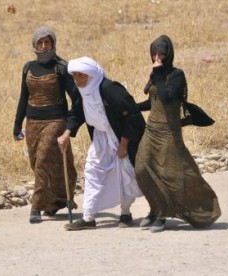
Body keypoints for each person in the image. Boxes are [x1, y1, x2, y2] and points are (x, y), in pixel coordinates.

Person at [135, 34, 221, 233]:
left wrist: (157, 74)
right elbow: (154, 101)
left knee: (168, 174)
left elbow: (166, 98)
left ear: (169, 54)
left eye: (161, 54)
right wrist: (133, 107)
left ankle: (162, 215)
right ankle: (155, 208)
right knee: (141, 169)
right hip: (151, 130)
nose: (157, 58)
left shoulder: (176, 75)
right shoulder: (155, 74)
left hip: (168, 133)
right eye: (154, 53)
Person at [57, 56, 145, 230]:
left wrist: (124, 144)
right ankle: (88, 217)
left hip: (120, 136)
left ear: (90, 75)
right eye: (74, 76)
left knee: (124, 173)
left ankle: (125, 213)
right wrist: (67, 133)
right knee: (92, 169)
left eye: (80, 76)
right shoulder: (81, 91)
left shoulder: (110, 89)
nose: (77, 80)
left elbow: (134, 117)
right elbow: (76, 112)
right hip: (100, 137)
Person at [13, 26, 80, 224]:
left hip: (55, 121)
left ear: (53, 44)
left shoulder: (61, 68)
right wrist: (17, 125)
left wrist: (69, 124)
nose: (44, 46)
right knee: (36, 163)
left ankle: (37, 207)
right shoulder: (28, 67)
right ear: (35, 45)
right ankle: (54, 202)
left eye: (47, 42)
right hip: (32, 122)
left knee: (43, 160)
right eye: (40, 43)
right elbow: (23, 98)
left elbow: (76, 97)